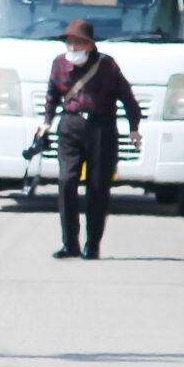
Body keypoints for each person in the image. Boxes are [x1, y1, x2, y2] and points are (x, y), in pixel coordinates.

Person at [41, 20, 141, 261]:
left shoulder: (107, 65)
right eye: (70, 42)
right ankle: (69, 243)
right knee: (66, 181)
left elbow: (127, 97)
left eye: (78, 42)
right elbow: (52, 95)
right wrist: (46, 122)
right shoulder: (59, 64)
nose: (73, 47)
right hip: (70, 126)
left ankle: (92, 244)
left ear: (90, 44)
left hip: (101, 128)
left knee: (98, 187)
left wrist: (134, 128)